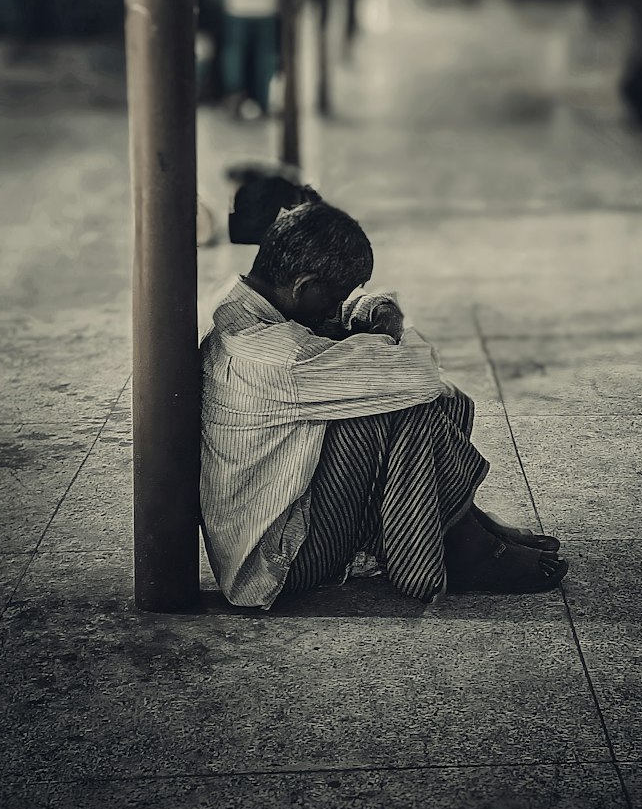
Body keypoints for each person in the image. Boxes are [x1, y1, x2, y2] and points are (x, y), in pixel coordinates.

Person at [199, 190, 568, 609]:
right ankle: (463, 546)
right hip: (279, 562)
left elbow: (347, 318)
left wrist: (375, 312)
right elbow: (420, 376)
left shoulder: (246, 309)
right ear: (304, 285)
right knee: (408, 404)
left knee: (403, 395)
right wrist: (385, 331)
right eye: (335, 295)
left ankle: (460, 523)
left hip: (274, 530)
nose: (339, 306)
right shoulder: (284, 356)